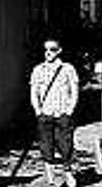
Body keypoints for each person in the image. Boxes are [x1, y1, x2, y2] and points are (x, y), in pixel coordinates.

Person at [29, 38, 79, 187]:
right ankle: (50, 179)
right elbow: (34, 92)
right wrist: (38, 111)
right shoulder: (38, 70)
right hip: (45, 114)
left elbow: (74, 91)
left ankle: (68, 174)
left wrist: (69, 110)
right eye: (46, 50)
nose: (48, 53)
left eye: (52, 49)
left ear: (59, 51)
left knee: (66, 146)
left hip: (62, 114)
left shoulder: (68, 68)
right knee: (46, 147)